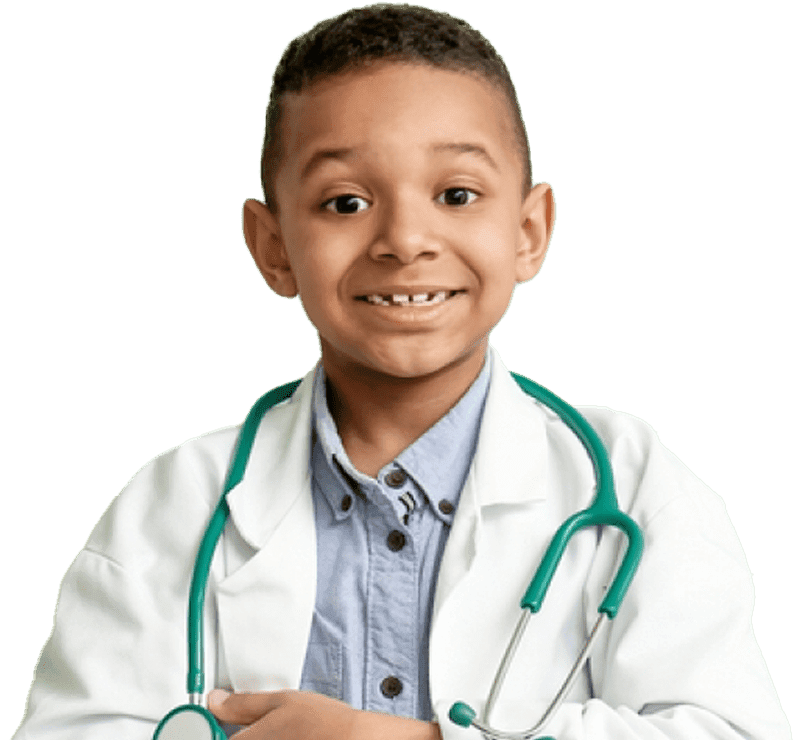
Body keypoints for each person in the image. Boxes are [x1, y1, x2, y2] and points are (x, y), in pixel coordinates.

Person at [12, 4, 791, 739]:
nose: (404, 239)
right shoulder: (175, 504)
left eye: (456, 194)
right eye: (345, 202)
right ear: (272, 246)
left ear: (528, 231)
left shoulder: (634, 485)